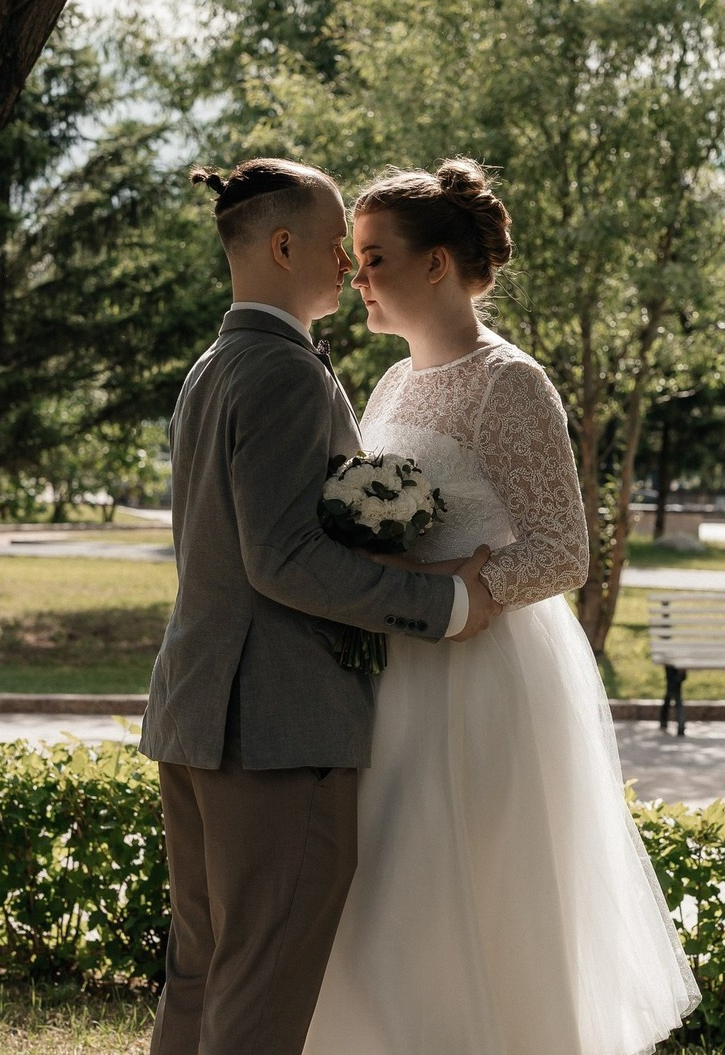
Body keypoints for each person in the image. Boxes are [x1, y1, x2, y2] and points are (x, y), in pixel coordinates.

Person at [303, 159, 701, 1055]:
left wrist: (460, 594)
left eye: (371, 258)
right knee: (382, 895)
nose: (353, 278)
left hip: (482, 676)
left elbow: (565, 548)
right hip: (394, 667)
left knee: (461, 897)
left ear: (437, 263)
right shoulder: (392, 385)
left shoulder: (509, 383)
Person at [139, 157, 500, 1055]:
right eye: (337, 242)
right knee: (260, 989)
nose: (348, 263)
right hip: (277, 728)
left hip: (197, 713)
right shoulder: (285, 373)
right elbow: (284, 560)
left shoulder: (213, 365)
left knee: (203, 972)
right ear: (283, 244)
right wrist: (448, 605)